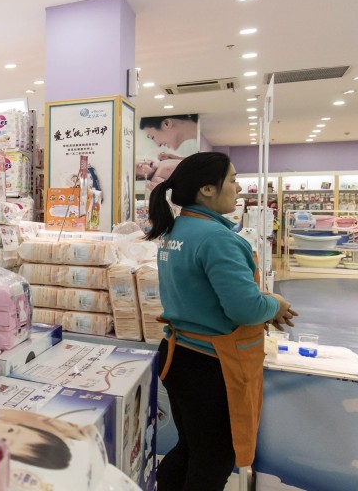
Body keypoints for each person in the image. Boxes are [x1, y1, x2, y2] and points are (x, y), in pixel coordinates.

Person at [146, 152, 298, 491]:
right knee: (214, 458)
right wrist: (274, 303)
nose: (238, 186)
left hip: (179, 355)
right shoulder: (217, 239)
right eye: (232, 179)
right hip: (211, 366)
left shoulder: (177, 229)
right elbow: (244, 309)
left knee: (190, 447)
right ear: (207, 190)